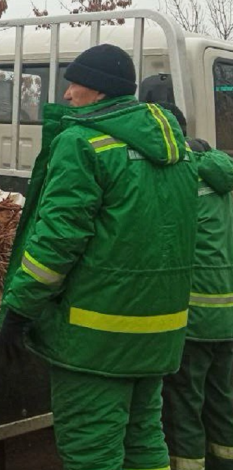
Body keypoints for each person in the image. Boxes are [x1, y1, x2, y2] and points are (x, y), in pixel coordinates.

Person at [0, 44, 198, 470]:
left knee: (92, 453)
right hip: (157, 336)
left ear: (101, 91)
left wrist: (19, 307)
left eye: (76, 83)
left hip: (94, 341)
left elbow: (55, 245)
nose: (67, 94)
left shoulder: (83, 144)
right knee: (144, 442)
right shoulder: (178, 152)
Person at [157, 103, 233, 470]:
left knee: (184, 408)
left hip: (194, 320)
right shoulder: (225, 179)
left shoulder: (178, 180)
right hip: (229, 321)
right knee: (223, 404)